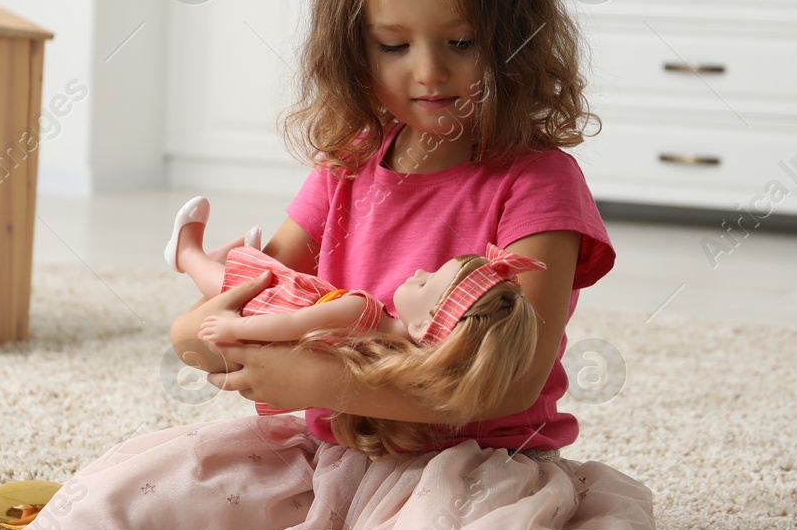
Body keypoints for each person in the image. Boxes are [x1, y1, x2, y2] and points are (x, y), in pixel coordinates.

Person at [4, 0, 685, 530]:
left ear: (515, 36)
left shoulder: (536, 184)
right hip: (322, 455)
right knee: (99, 517)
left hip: (464, 467)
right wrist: (198, 333)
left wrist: (321, 382)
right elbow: (254, 301)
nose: (428, 72)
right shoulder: (352, 162)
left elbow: (503, 383)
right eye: (394, 44)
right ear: (350, 44)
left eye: (461, 42)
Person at [168, 193, 545, 450]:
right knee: (239, 279)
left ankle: (186, 254)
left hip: (274, 311)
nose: (417, 269)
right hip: (287, 326)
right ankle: (221, 259)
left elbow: (293, 324)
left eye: (426, 281)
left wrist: (236, 328)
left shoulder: (360, 310)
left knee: (234, 285)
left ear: (422, 326)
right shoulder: (392, 358)